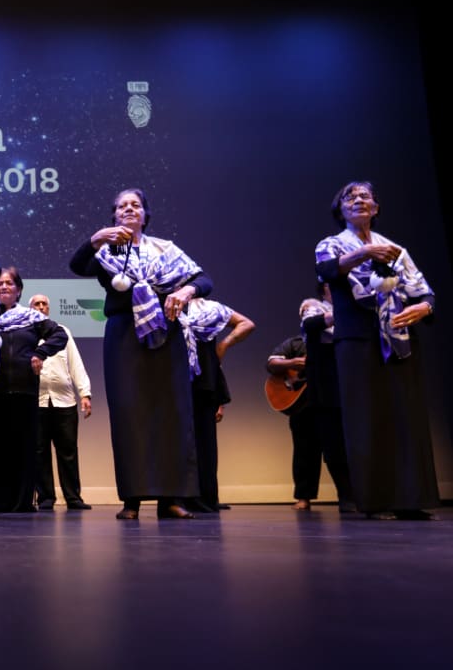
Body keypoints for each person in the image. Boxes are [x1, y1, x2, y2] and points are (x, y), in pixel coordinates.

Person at [69, 188, 211, 520]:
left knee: (171, 413)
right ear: (114, 216)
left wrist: (186, 289)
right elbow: (77, 265)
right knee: (129, 414)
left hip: (166, 334)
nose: (129, 209)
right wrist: (96, 239)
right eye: (122, 206)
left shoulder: (166, 250)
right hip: (123, 337)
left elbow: (204, 279)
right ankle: (132, 500)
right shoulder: (106, 252)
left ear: (146, 214)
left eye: (136, 205)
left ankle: (172, 499)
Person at [314, 181, 439, 520]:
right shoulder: (332, 245)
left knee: (405, 416)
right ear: (340, 209)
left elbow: (423, 291)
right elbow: (327, 270)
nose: (358, 199)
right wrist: (364, 253)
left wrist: (424, 309)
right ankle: (376, 500)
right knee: (368, 419)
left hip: (398, 336)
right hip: (358, 340)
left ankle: (410, 499)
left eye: (365, 196)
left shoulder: (395, 248)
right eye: (350, 197)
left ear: (376, 208)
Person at [0, 269, 67, 513]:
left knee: (24, 447)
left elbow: (59, 335)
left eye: (9, 283)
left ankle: (21, 502)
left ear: (18, 289)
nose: (4, 287)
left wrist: (40, 353)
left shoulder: (31, 317)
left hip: (25, 390)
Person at [267, 286, 354, 512]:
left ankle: (348, 496)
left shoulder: (336, 340)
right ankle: (303, 497)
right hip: (302, 407)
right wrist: (293, 364)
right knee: (305, 452)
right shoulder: (295, 343)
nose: (310, 312)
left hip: (327, 398)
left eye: (313, 308)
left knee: (335, 448)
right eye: (306, 310)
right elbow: (271, 363)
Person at [180, 298, 255, 513]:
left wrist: (224, 344)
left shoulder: (207, 308)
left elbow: (247, 323)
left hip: (201, 381)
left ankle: (204, 497)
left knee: (204, 442)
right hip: (181, 381)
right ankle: (189, 497)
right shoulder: (170, 306)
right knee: (189, 442)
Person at [27, 293, 93, 511]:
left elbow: (76, 363)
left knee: (68, 451)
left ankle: (73, 498)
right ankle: (46, 498)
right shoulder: (26, 332)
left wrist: (85, 393)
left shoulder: (62, 332)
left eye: (44, 303)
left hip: (64, 402)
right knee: (39, 452)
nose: (41, 306)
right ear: (29, 309)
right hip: (37, 402)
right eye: (36, 303)